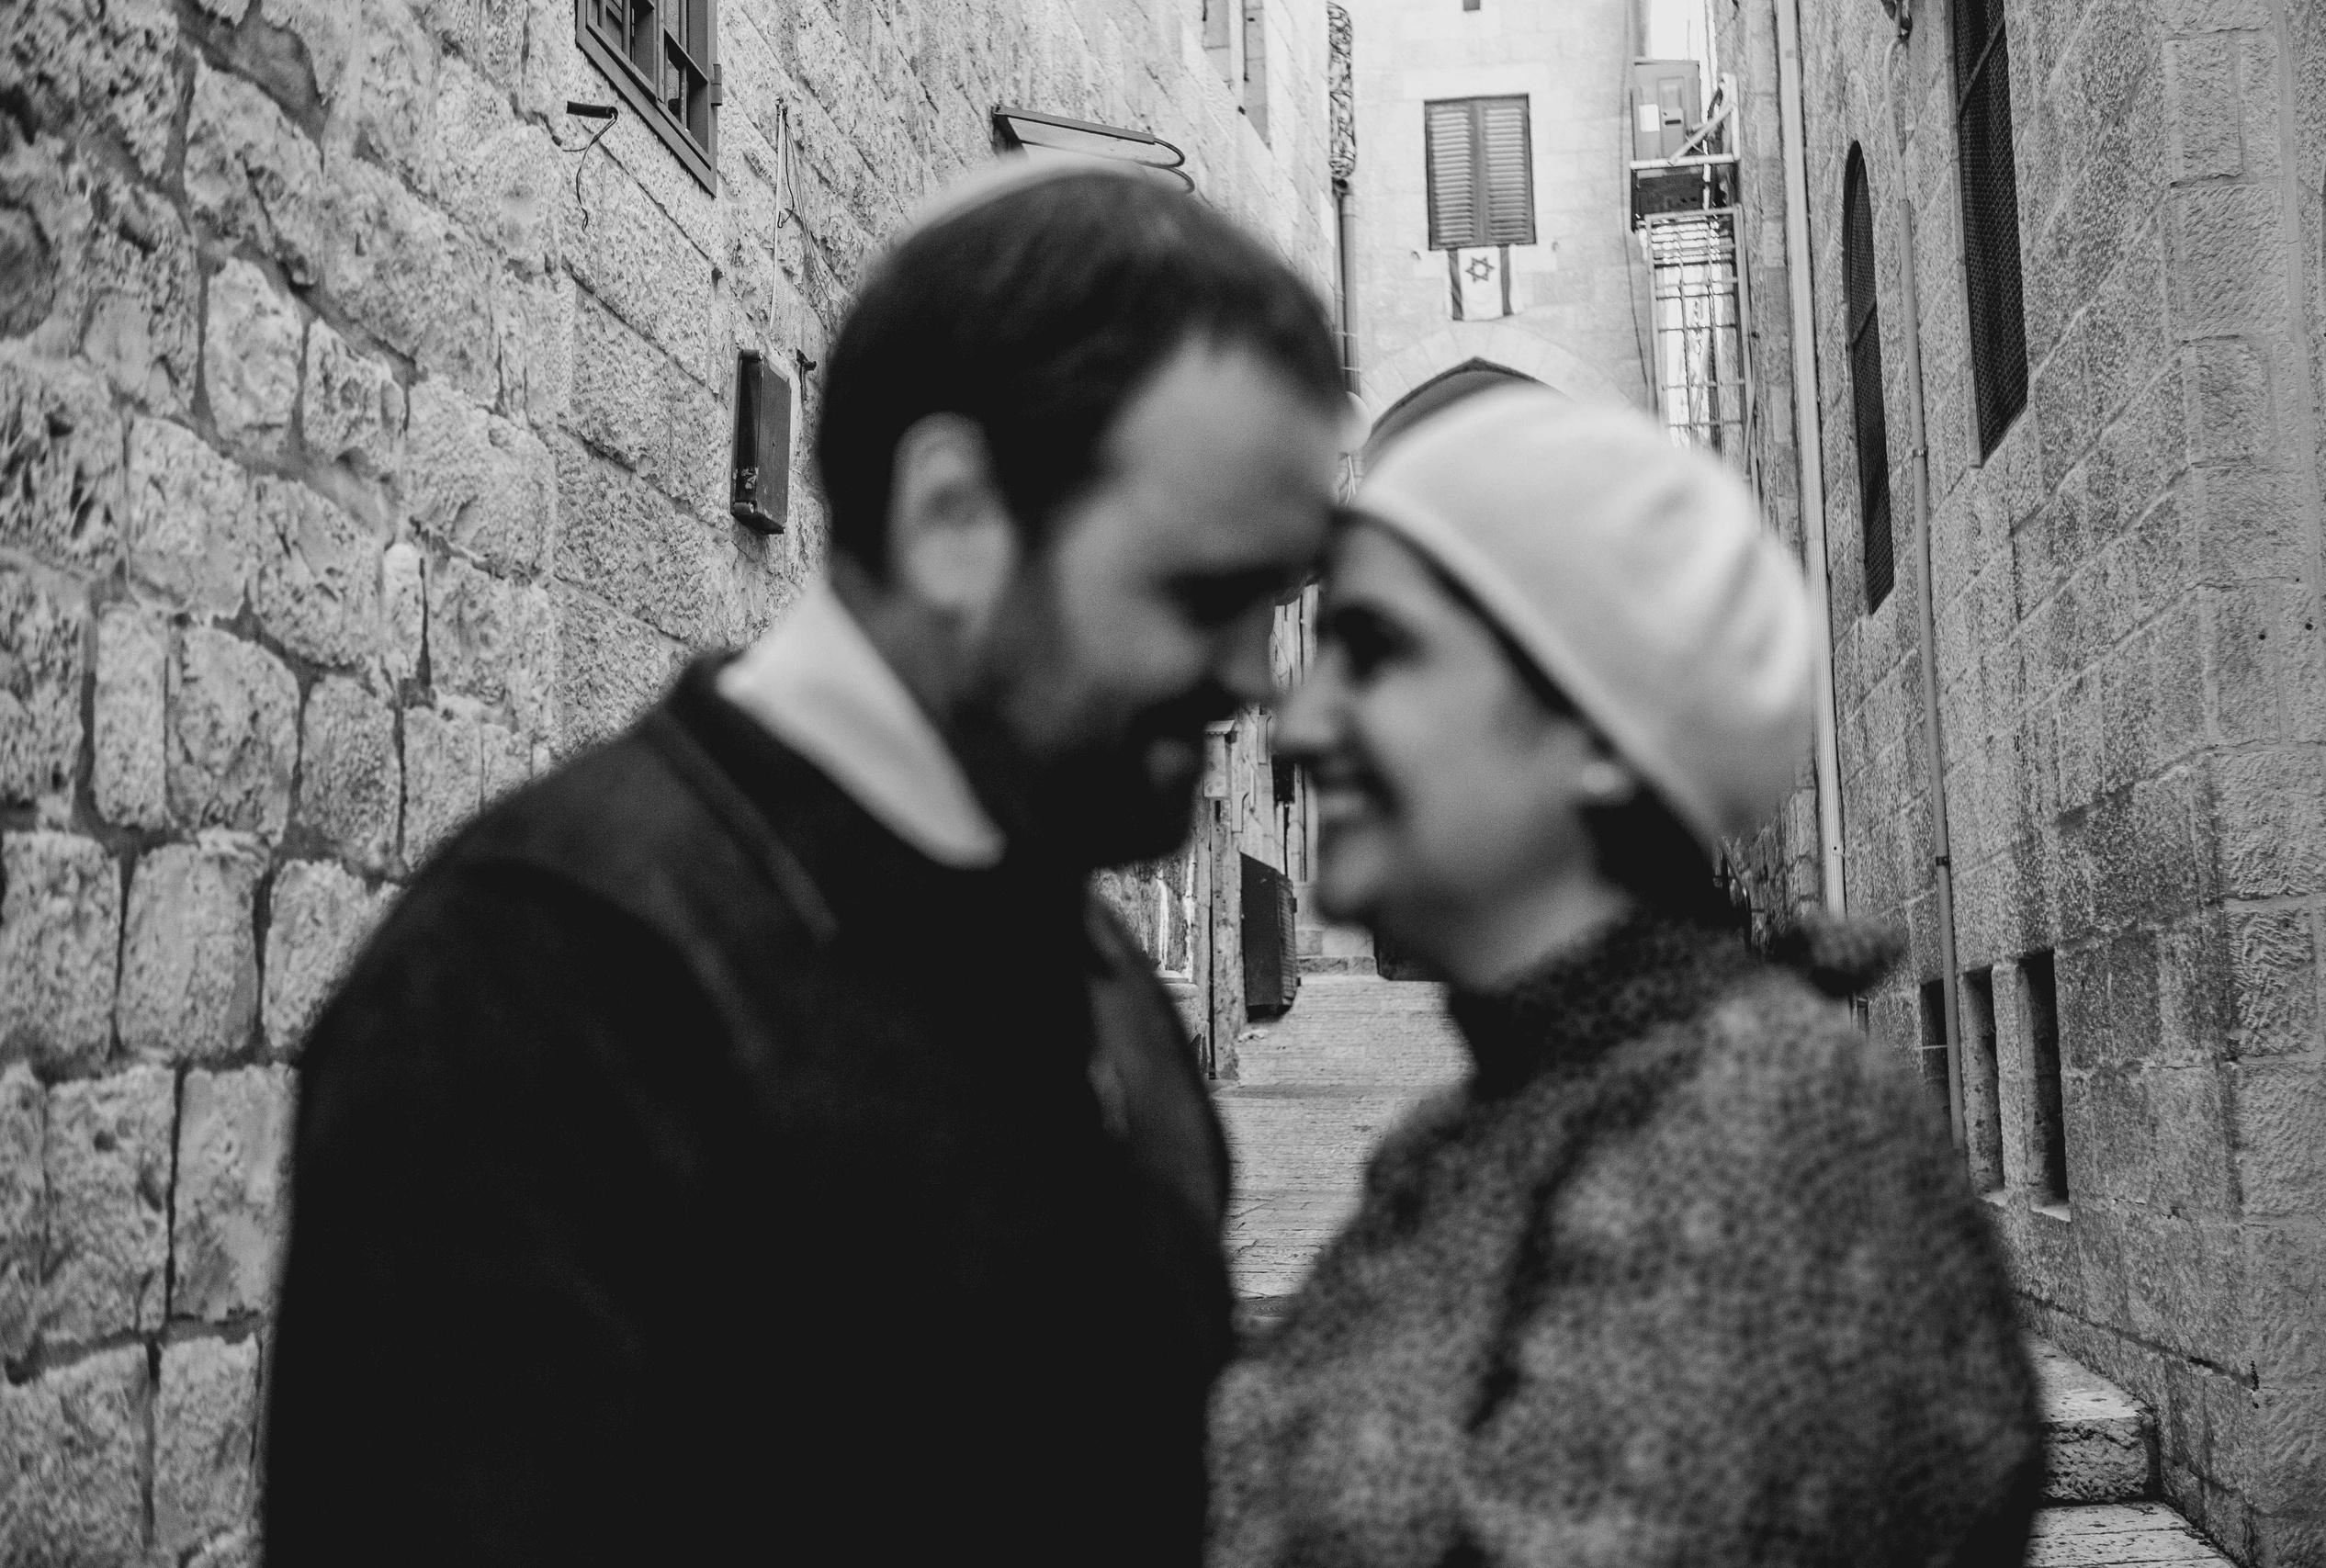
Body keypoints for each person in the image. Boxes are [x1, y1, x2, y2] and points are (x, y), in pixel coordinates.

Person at [265, 159, 1349, 1567]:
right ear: (957, 514)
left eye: (1274, 606)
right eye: (1204, 593)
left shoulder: (1101, 987)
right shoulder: (548, 978)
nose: (1246, 686)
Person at [1212, 389, 2042, 1568]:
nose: (1299, 726)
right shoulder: (1504, 1119)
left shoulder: (1755, 1137)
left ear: (1598, 734)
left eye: (1378, 652)